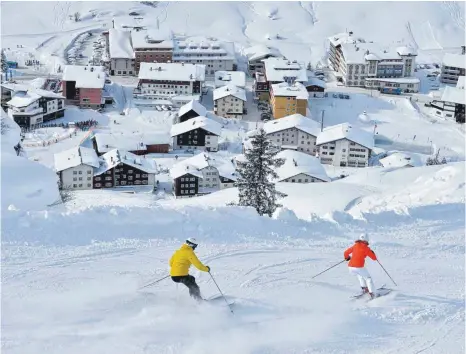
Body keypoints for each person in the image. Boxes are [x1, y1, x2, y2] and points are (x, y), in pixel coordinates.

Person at [344, 233, 377, 299]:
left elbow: (346, 252)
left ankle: (364, 288)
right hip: (358, 267)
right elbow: (374, 258)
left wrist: (347, 257)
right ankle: (372, 293)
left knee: (360, 275)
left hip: (350, 267)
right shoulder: (366, 248)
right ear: (367, 239)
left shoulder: (355, 245)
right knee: (368, 278)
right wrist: (372, 253)